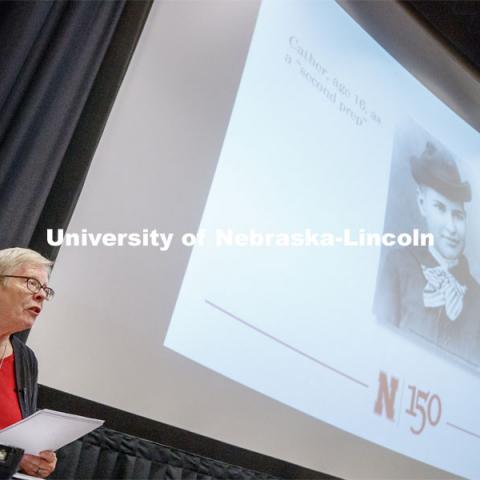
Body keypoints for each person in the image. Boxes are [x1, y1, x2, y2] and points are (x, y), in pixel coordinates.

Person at [374, 142, 480, 367]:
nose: (452, 227)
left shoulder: (476, 296)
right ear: (422, 205)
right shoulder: (399, 265)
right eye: (440, 208)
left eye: (458, 215)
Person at [0, 247, 57, 478]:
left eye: (45, 289)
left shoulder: (25, 360)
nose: (42, 295)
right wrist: (12, 457)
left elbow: (17, 440)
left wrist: (33, 457)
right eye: (32, 283)